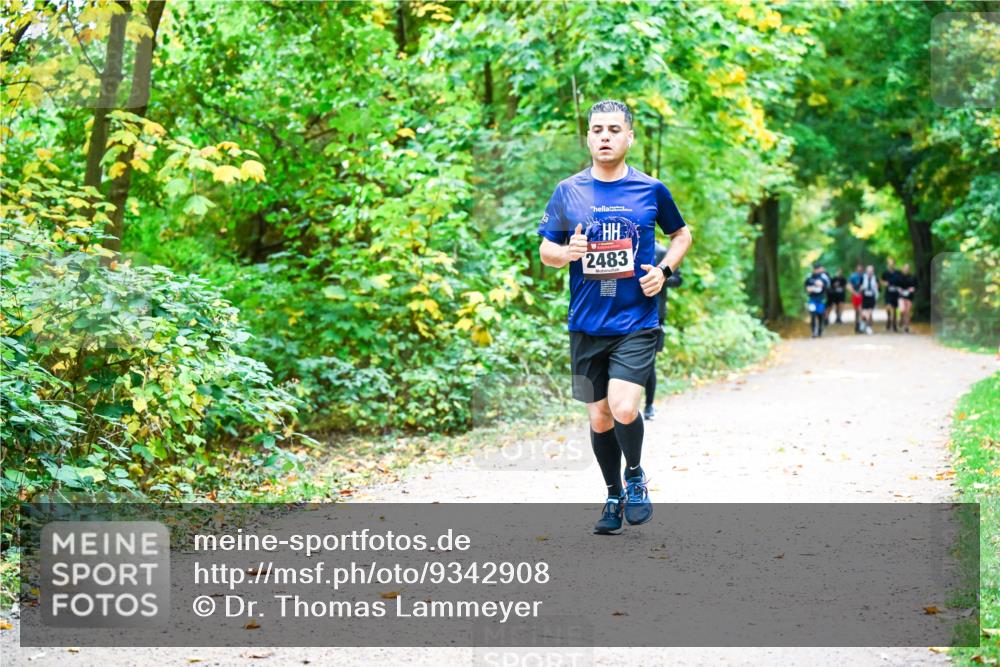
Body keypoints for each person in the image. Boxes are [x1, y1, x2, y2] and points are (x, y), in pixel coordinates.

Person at [537, 99, 692, 535]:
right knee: (599, 417)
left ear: (629, 137)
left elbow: (681, 235)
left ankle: (636, 475)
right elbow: (546, 250)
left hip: (636, 321)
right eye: (596, 130)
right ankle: (612, 493)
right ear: (588, 137)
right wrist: (568, 252)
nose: (604, 137)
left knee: (624, 407)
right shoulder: (569, 191)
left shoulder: (650, 190)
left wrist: (663, 271)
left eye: (613, 130)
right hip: (586, 323)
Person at [643, 241, 683, 421]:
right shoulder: (626, 246)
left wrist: (660, 276)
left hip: (655, 314)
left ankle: (649, 405)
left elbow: (678, 279)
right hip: (626, 314)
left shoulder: (661, 251)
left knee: (649, 361)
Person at [804, 264, 828, 338]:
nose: (817, 270)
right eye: (816, 269)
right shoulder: (809, 277)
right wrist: (808, 290)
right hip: (812, 299)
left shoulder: (823, 277)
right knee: (813, 315)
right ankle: (814, 331)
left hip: (820, 299)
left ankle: (820, 329)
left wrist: (822, 285)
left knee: (820, 314)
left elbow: (826, 286)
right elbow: (806, 287)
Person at [882, 258, 902, 332]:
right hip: (888, 292)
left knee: (894, 308)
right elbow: (882, 281)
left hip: (896, 292)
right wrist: (885, 283)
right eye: (889, 263)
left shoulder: (898, 273)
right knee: (888, 307)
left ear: (894, 264)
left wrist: (900, 287)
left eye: (892, 263)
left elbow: (901, 281)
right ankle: (888, 318)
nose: (891, 265)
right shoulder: (885, 273)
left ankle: (894, 324)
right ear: (888, 265)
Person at [859, 264, 879, 335]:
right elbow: (859, 287)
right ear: (866, 271)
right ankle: (864, 323)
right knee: (864, 313)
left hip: (872, 297)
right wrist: (861, 288)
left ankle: (868, 327)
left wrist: (877, 288)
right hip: (865, 296)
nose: (870, 272)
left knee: (869, 312)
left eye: (871, 270)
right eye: (868, 270)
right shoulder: (863, 277)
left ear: (873, 271)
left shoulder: (875, 278)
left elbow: (878, 288)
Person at [897, 263, 917, 333]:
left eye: (907, 268)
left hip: (909, 296)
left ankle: (906, 327)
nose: (906, 269)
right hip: (901, 296)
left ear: (909, 270)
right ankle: (901, 318)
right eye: (905, 268)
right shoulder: (899, 277)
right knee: (902, 310)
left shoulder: (912, 277)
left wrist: (913, 289)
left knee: (907, 312)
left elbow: (916, 286)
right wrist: (899, 289)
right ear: (903, 269)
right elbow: (896, 285)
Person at [848, 262, 864, 333]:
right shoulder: (853, 276)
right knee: (856, 311)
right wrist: (854, 292)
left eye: (860, 268)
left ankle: (860, 325)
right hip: (855, 295)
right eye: (858, 268)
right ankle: (857, 325)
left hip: (862, 295)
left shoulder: (864, 276)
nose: (859, 269)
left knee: (860, 310)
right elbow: (848, 285)